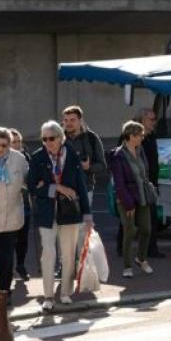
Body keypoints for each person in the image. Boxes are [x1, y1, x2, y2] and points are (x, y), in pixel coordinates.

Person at [28, 121, 93, 311]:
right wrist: (56, 187)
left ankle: (65, 292)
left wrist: (87, 214)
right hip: (47, 214)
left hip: (71, 213)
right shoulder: (37, 157)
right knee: (48, 255)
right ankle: (48, 296)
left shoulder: (72, 154)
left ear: (60, 138)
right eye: (44, 138)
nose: (47, 142)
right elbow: (32, 186)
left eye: (51, 138)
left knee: (68, 254)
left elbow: (81, 185)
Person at [108, 121, 155, 279]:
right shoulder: (118, 156)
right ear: (131, 136)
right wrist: (128, 204)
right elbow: (120, 184)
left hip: (142, 196)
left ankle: (141, 259)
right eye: (140, 135)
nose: (142, 138)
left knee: (146, 229)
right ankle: (127, 267)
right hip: (126, 199)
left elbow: (144, 174)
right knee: (129, 231)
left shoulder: (140, 151)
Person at [117, 109, 164, 258]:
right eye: (152, 119)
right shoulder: (130, 138)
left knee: (150, 220)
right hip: (133, 186)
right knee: (129, 219)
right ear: (143, 120)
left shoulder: (151, 137)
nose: (154, 122)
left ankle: (151, 249)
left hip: (148, 185)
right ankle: (122, 248)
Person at [62, 105, 106, 257]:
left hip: (85, 189)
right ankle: (64, 263)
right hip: (62, 190)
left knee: (81, 227)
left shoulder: (92, 139)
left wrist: (88, 167)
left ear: (80, 120)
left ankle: (81, 262)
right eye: (66, 120)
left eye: (72, 120)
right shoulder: (58, 138)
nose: (68, 123)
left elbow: (102, 165)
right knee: (63, 228)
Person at [0, 128, 29, 308]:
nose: (0, 149)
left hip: (11, 215)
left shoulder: (19, 159)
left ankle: (4, 291)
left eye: (4, 145)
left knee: (5, 258)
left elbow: (28, 181)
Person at [9, 129, 31, 281]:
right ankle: (8, 270)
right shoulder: (3, 159)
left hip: (24, 204)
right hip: (7, 206)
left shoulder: (26, 157)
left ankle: (21, 265)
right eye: (13, 142)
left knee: (23, 238)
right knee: (9, 239)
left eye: (18, 142)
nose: (16, 145)